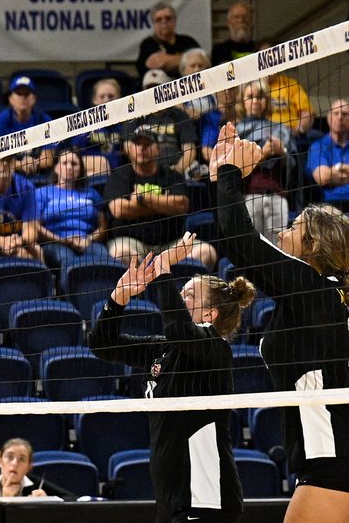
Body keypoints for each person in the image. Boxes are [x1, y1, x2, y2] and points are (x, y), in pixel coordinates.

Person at [210, 123, 349, 521]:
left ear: (314, 247)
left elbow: (241, 242)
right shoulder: (326, 295)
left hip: (332, 462)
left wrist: (230, 174)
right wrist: (222, 174)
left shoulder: (314, 289)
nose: (281, 232)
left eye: (292, 229)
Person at [89, 233, 251, 521]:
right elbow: (103, 345)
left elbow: (179, 329)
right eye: (183, 292)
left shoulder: (216, 349)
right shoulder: (163, 347)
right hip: (170, 498)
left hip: (206, 496)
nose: (180, 297)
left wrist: (164, 266)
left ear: (210, 314)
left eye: (189, 295)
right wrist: (118, 298)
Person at [105, 127, 216, 269]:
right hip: (132, 242)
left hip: (170, 243)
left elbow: (181, 205)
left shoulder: (172, 175)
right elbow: (119, 210)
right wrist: (163, 204)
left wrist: (142, 199)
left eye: (147, 144)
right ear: (129, 149)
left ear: (158, 149)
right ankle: (139, 291)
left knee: (206, 252)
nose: (141, 148)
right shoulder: (120, 176)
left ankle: (180, 290)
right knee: (121, 253)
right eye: (137, 144)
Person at [235, 80, 295, 242]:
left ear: (267, 100)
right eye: (250, 97)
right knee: (253, 249)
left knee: (278, 249)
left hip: (277, 197)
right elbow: (235, 168)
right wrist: (263, 153)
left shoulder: (281, 128)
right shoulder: (235, 131)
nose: (255, 101)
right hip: (249, 197)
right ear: (242, 101)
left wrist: (282, 151)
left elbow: (294, 165)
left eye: (260, 97)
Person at [34, 150, 111, 273]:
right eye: (65, 163)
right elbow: (35, 227)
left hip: (86, 241)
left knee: (102, 255)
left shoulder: (92, 193)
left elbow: (103, 227)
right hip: (55, 242)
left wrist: (89, 239)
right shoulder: (42, 193)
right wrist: (63, 240)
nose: (69, 167)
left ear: (80, 169)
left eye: (74, 164)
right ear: (56, 168)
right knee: (67, 258)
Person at [124, 71, 197, 175]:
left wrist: (175, 172)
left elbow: (190, 151)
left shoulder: (179, 115)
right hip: (144, 168)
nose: (153, 92)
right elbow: (129, 147)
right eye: (149, 89)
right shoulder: (135, 116)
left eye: (157, 88)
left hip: (175, 168)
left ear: (166, 90)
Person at [0, 76, 55, 175]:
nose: (23, 97)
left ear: (34, 98)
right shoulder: (0, 121)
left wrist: (34, 163)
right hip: (9, 175)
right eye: (18, 93)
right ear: (11, 99)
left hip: (38, 174)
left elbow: (48, 159)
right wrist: (21, 165)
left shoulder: (44, 120)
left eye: (27, 94)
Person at [71, 77, 123, 176]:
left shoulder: (125, 124)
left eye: (111, 96)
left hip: (115, 172)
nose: (106, 100)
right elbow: (75, 152)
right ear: (95, 100)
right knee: (102, 163)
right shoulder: (86, 124)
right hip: (88, 166)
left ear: (119, 98)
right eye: (102, 96)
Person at [0, 438, 74, 499]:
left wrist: (48, 501)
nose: (15, 463)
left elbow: (73, 499)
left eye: (22, 459)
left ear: (28, 467)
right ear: (0, 462)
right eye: (10, 457)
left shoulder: (36, 484)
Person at [136, 3, 201, 75]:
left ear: (175, 21)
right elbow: (145, 69)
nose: (164, 22)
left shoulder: (188, 42)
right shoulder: (148, 44)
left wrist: (167, 59)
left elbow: (202, 62)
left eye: (168, 18)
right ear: (153, 24)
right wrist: (185, 61)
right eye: (158, 19)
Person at [308, 98, 349, 212]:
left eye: (345, 114)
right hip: (330, 207)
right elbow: (323, 177)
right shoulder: (318, 146)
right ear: (329, 118)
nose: (340, 117)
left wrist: (337, 169)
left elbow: (328, 174)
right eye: (336, 113)